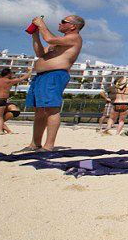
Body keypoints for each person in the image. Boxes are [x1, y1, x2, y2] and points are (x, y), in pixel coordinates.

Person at [24, 15, 85, 151]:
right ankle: (35, 144)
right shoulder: (59, 42)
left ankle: (48, 145)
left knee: (52, 109)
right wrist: (35, 36)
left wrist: (41, 24)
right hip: (41, 76)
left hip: (54, 75)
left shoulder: (74, 38)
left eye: (64, 21)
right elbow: (40, 52)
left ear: (73, 26)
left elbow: (49, 38)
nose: (60, 23)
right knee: (39, 110)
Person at [0, 67, 31, 134]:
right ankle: (0, 131)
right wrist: (30, 71)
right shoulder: (9, 81)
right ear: (9, 74)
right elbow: (23, 78)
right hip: (1, 99)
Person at [103, 71, 128, 135]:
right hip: (126, 104)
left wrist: (106, 98)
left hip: (117, 103)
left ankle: (107, 129)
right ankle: (117, 133)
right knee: (122, 120)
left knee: (111, 118)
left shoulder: (115, 88)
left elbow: (102, 92)